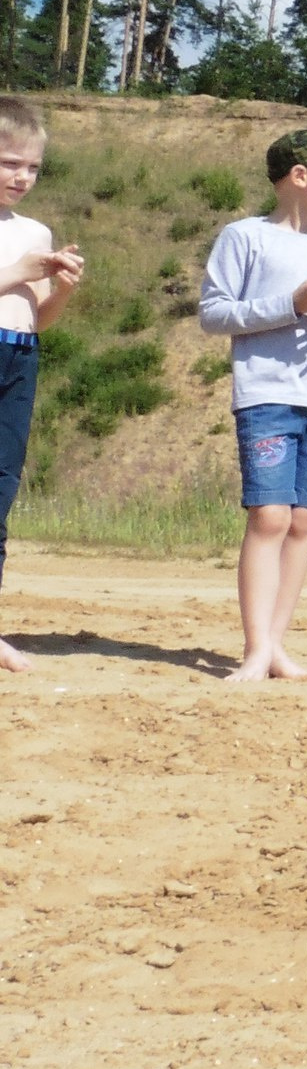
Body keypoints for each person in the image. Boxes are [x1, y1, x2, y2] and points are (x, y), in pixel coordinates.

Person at [198, 128, 307, 683]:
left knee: (302, 522)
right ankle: (255, 650)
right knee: (269, 516)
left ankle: (276, 648)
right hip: (267, 396)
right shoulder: (244, 237)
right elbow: (213, 314)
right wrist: (291, 305)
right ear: (299, 177)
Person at [0, 98, 83, 673]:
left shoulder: (36, 230)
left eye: (32, 167)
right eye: (9, 163)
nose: (22, 177)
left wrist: (62, 290)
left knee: (0, 492)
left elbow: (37, 319)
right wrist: (17, 272)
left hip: (19, 357)